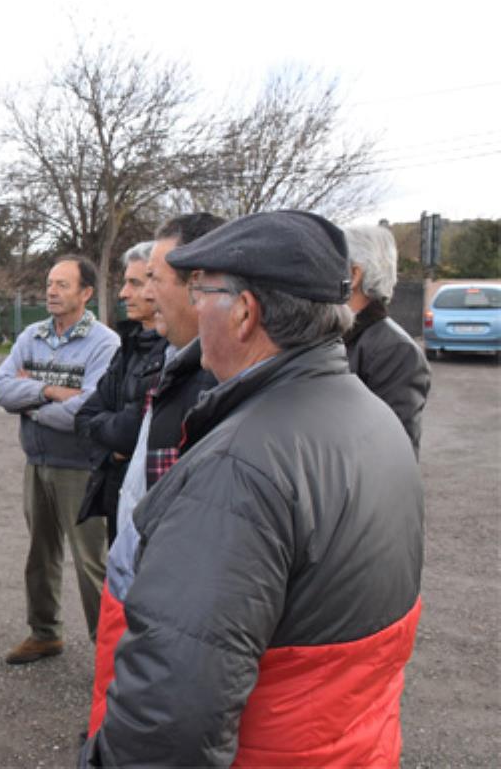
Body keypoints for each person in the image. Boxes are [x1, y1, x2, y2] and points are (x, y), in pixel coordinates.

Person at [82, 211, 424, 766]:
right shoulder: (374, 417)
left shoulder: (240, 466)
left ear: (245, 312)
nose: (193, 306)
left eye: (201, 291)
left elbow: (173, 720)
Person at [85, 213, 224, 737]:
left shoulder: (213, 389)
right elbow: (91, 417)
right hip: (133, 593)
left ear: (198, 286)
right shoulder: (176, 363)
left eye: (152, 280)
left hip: (155, 608)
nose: (140, 293)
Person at [0, 256, 119, 662]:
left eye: (62, 285)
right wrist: (48, 393)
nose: (51, 291)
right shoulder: (31, 336)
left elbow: (87, 412)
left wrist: (29, 402)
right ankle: (45, 633)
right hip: (37, 463)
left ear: (85, 293)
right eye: (49, 283)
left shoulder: (105, 343)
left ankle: (107, 652)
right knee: (40, 554)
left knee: (90, 563)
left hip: (81, 469)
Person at [74, 241, 167, 546]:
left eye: (134, 283)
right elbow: (84, 415)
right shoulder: (129, 346)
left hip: (152, 511)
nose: (123, 293)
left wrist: (116, 440)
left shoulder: (172, 355)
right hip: (117, 497)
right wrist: (111, 453)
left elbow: (131, 433)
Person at [343, 223, 431, 455]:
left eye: (330, 265)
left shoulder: (397, 350)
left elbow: (395, 452)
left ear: (354, 275)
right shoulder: (332, 334)